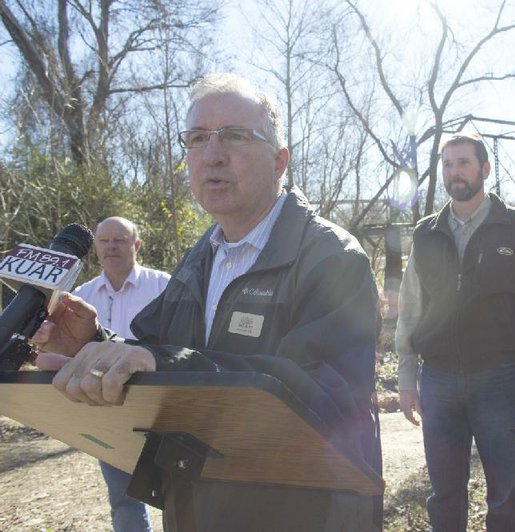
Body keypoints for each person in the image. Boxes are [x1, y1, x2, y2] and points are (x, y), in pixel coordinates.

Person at [33, 73, 382, 531]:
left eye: (235, 136)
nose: (212, 154)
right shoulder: (196, 261)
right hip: (197, 507)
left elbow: (330, 405)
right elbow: (156, 357)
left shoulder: (332, 257)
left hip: (302, 514)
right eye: (197, 139)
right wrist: (93, 342)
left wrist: (174, 368)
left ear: (280, 162)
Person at [395, 132, 515, 532]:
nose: (454, 172)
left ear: (484, 169)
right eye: (447, 164)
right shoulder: (425, 234)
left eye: (463, 163)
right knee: (444, 492)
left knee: (507, 495)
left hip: (501, 379)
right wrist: (408, 378)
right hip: (439, 380)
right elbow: (411, 310)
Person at [72, 216, 169, 532]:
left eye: (121, 240)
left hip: (163, 409)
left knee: (181, 496)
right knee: (124, 499)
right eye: (104, 240)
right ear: (96, 247)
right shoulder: (80, 297)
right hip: (108, 413)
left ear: (136, 245)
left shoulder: (165, 286)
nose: (111, 246)